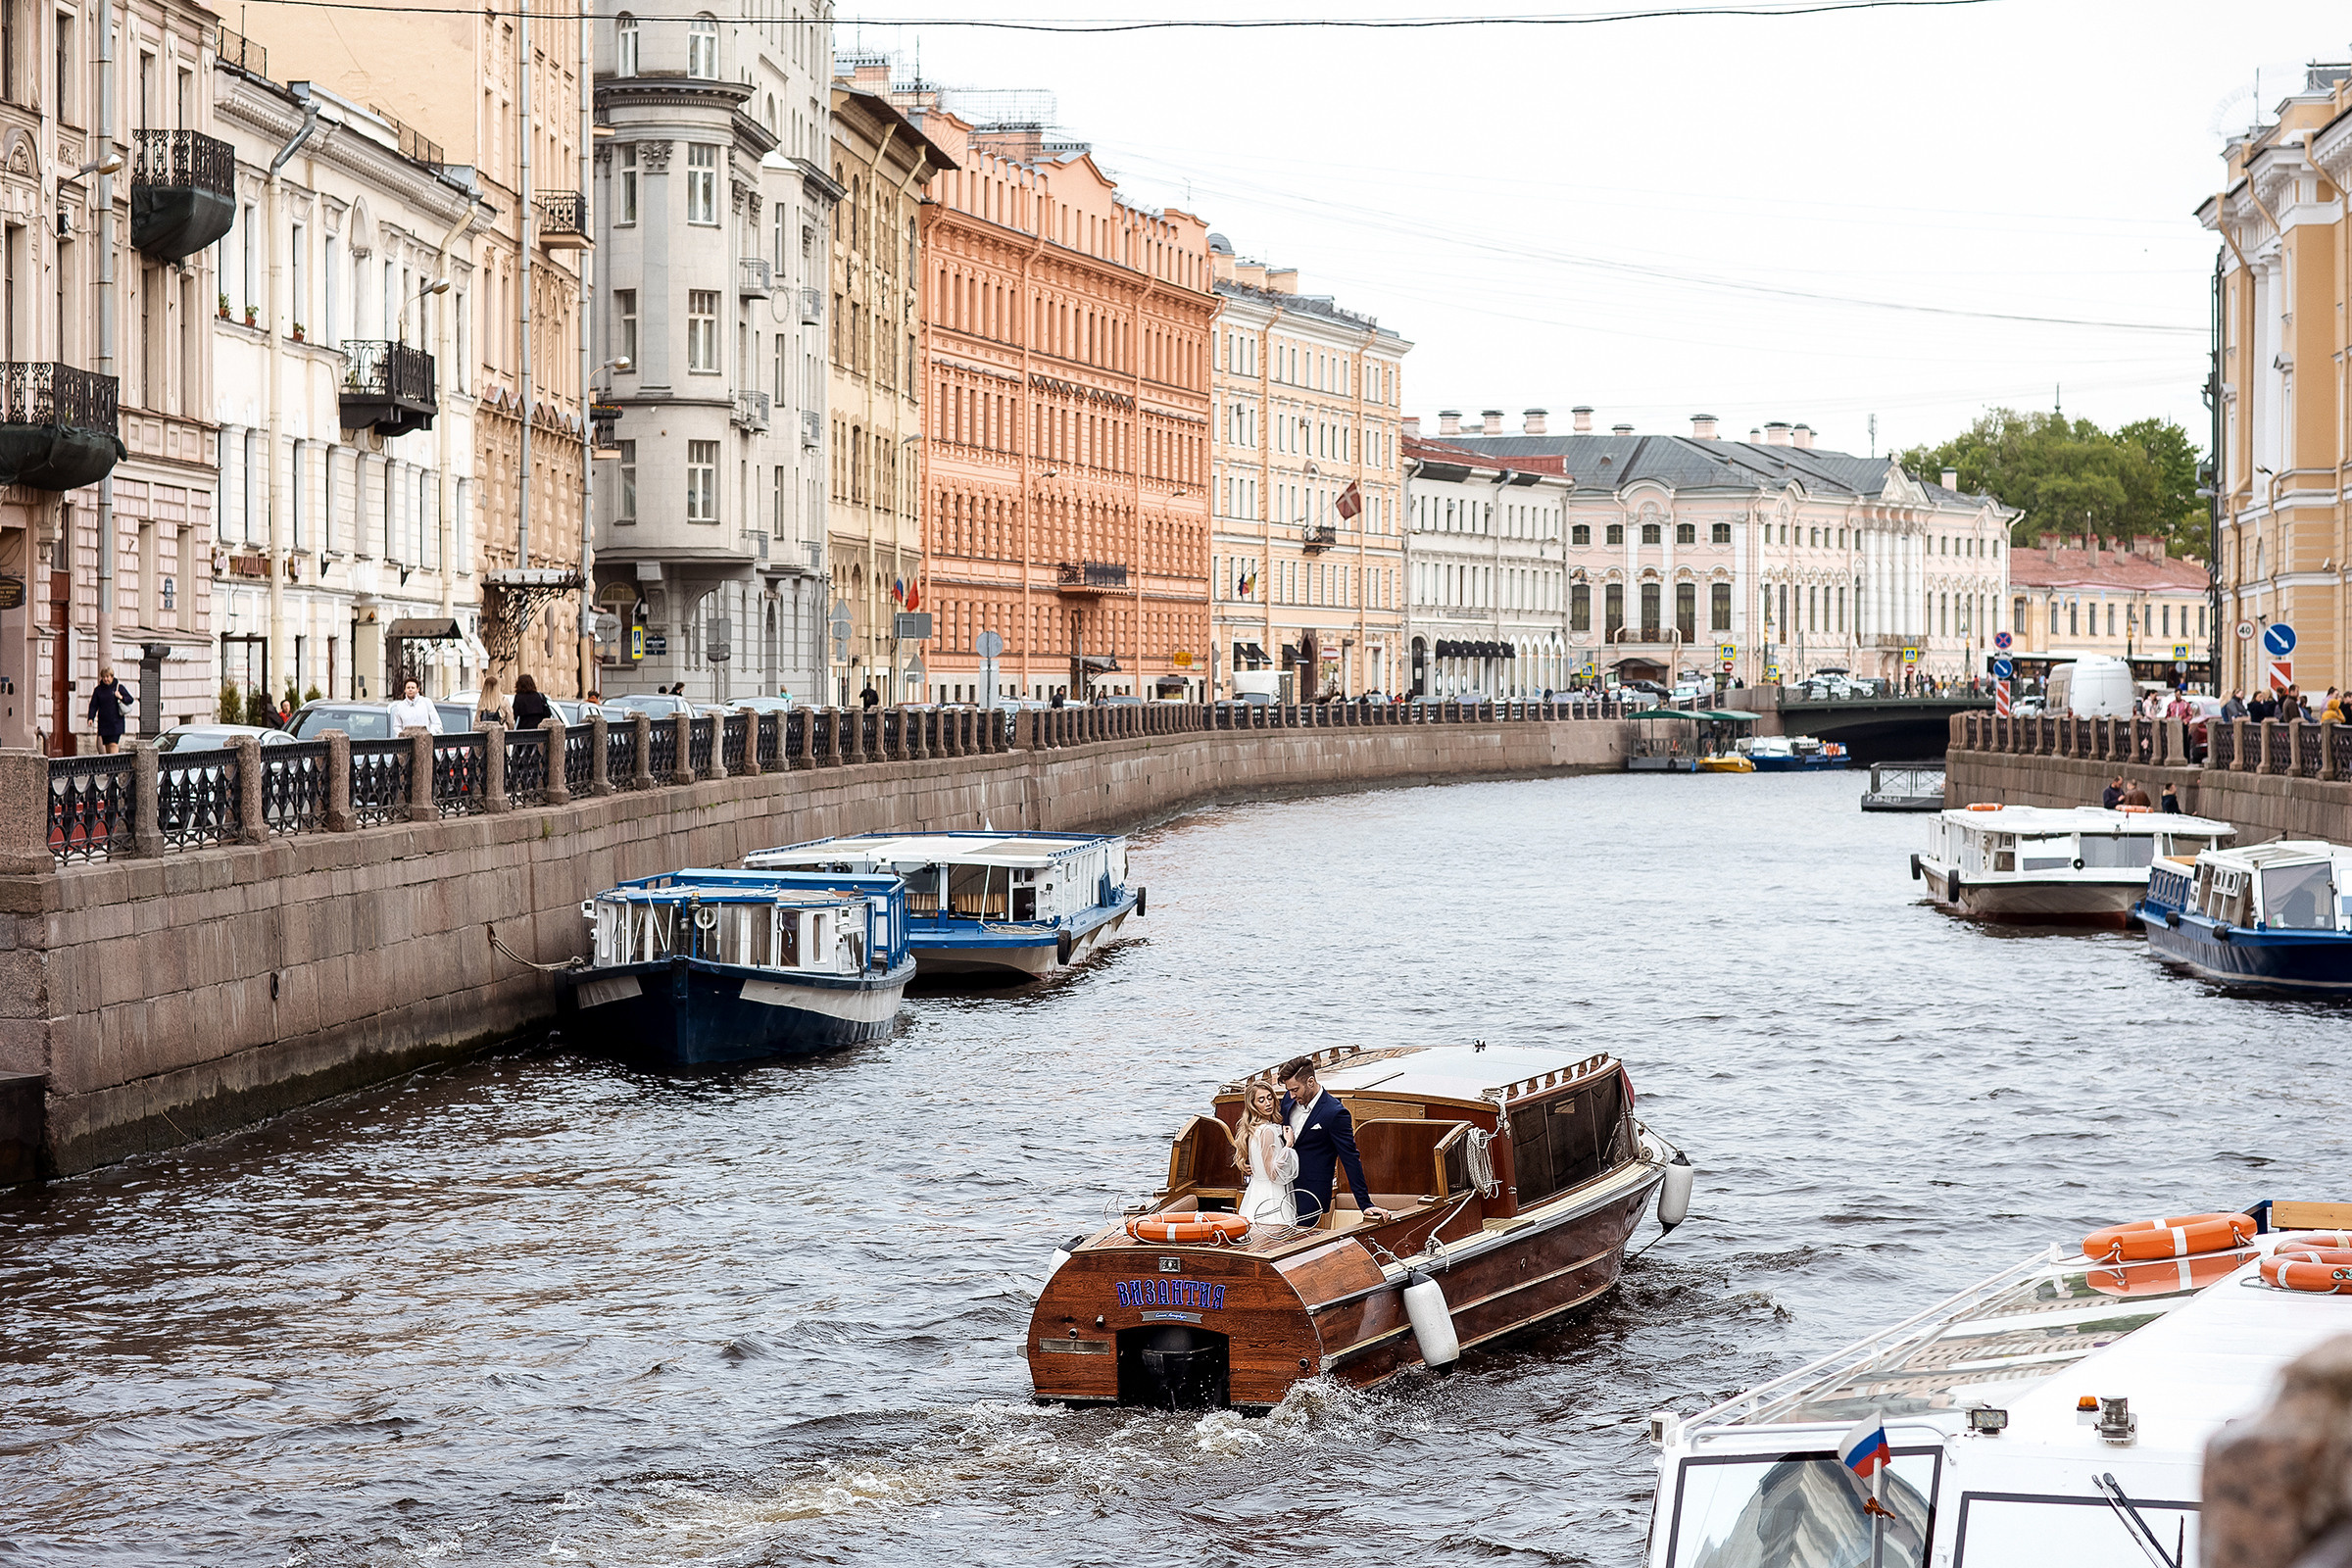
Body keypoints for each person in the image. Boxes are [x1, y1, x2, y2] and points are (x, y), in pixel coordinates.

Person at [1277, 1055, 1388, 1228]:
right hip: (1281, 1187)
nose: (1291, 1095)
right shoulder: (1288, 1100)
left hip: (1310, 1194)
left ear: (1311, 1082)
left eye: (1295, 1090)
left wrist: (1365, 1204)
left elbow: (1350, 1159)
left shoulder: (1335, 1113)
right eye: (1289, 1090)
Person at [1231, 1081, 1298, 1227]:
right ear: (1253, 1105)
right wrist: (1288, 1145)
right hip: (1271, 1195)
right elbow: (1273, 1173)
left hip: (1256, 1191)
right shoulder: (1267, 1131)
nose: (1268, 1103)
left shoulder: (1253, 1129)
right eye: (1261, 1100)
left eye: (1270, 1098)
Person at [87, 665, 133, 753]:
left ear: (112, 676)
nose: (105, 679)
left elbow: (130, 699)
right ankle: (110, 764)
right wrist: (90, 717)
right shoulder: (98, 690)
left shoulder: (118, 687)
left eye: (107, 677)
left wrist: (121, 697)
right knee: (107, 745)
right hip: (104, 722)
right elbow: (93, 705)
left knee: (113, 744)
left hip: (116, 722)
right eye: (103, 677)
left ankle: (115, 764)